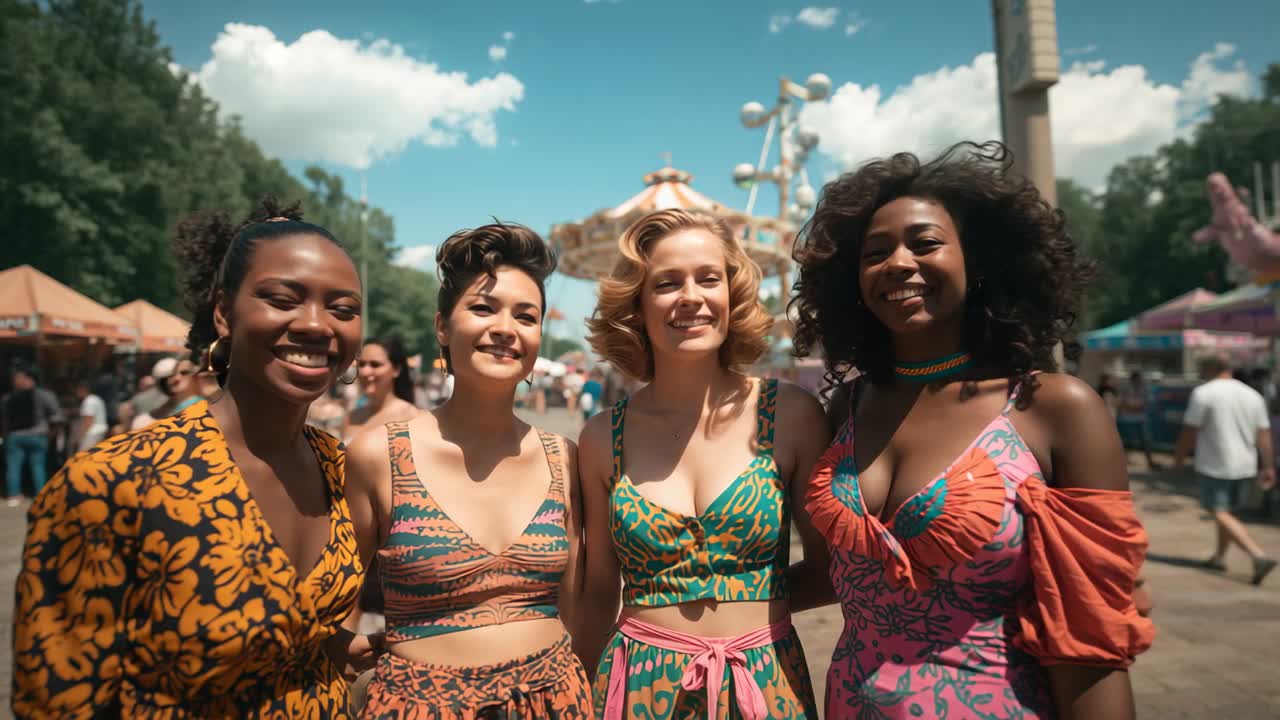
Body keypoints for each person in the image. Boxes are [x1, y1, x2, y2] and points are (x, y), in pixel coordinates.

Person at [790, 141, 1154, 719]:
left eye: (925, 243)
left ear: (978, 263)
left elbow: (1091, 633)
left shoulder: (1054, 409)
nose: (898, 263)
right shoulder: (843, 410)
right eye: (874, 252)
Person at [13, 197, 380, 717]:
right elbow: (59, 700)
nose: (318, 325)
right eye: (282, 298)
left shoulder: (342, 468)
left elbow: (278, 634)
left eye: (343, 309)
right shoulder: (113, 482)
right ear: (224, 314)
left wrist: (330, 648)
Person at [579, 208, 832, 719]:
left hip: (764, 681)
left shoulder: (793, 415)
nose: (691, 297)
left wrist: (756, 610)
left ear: (731, 294)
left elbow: (833, 570)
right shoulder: (603, 436)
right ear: (638, 305)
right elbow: (600, 589)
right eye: (667, 283)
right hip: (636, 690)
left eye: (708, 279)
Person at [343, 222, 592, 717]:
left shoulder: (563, 456)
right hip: (418, 706)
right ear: (442, 326)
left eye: (526, 316)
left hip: (555, 701)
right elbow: (335, 600)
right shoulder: (379, 454)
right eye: (482, 308)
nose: (505, 328)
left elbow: (576, 606)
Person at [1173, 353, 1278, 585]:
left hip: (1216, 464)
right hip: (1246, 465)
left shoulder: (1204, 393)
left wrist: (1179, 459)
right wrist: (1268, 465)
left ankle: (1257, 555)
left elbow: (1189, 431)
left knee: (1218, 511)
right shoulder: (1253, 395)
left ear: (1210, 368)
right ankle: (1219, 557)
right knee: (1228, 513)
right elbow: (1264, 435)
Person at [1, 367, 63, 506]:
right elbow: (56, 417)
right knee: (38, 466)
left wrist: (5, 435)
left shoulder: (8, 398)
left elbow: (4, 420)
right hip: (37, 435)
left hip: (15, 436)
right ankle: (40, 495)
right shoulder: (45, 395)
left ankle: (13, 496)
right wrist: (51, 435)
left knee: (14, 467)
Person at [343, 333, 419, 443]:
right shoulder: (351, 418)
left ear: (396, 370)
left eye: (375, 365)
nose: (365, 372)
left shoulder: (412, 417)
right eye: (362, 364)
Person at [130, 356, 204, 430]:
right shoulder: (145, 419)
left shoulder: (204, 405)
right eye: (170, 376)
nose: (175, 379)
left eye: (184, 373)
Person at [1118, 370, 1161, 469]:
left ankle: (1150, 461)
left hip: (1141, 419)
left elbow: (1147, 402)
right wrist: (1134, 406)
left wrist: (1135, 406)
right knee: (1124, 441)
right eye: (1137, 379)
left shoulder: (1145, 389)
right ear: (1132, 380)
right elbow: (1122, 403)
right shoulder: (1126, 388)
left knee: (1146, 440)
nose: (1139, 381)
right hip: (1127, 419)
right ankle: (1121, 463)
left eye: (1139, 379)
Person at [73, 380, 108, 452]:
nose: (75, 392)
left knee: (84, 455)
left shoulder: (89, 401)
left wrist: (79, 437)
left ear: (82, 389)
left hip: (92, 433)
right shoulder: (95, 398)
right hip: (99, 431)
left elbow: (88, 422)